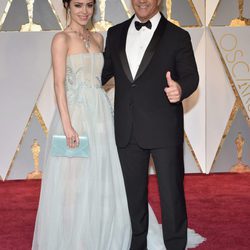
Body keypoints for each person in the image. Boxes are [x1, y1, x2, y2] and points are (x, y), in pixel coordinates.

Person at [32, 0, 132, 249]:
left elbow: (103, 77)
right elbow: (58, 84)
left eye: (89, 5)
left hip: (100, 114)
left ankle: (100, 234)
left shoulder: (98, 38)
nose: (84, 11)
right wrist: (67, 125)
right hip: (75, 116)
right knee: (73, 182)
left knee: (102, 176)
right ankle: (76, 240)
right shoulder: (60, 40)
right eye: (78, 5)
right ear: (66, 6)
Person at [102, 0, 199, 249]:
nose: (142, 1)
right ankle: (137, 245)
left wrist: (180, 88)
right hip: (127, 128)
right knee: (132, 198)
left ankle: (176, 244)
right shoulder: (114, 33)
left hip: (164, 128)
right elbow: (102, 73)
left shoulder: (178, 36)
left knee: (171, 195)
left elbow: (191, 76)